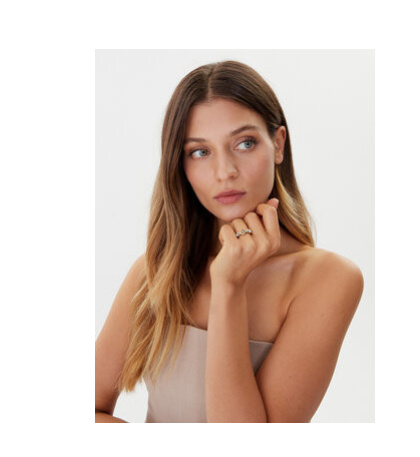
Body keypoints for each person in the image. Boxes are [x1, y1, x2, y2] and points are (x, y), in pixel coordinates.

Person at [95, 60, 364, 423]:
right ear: (181, 165)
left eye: (244, 143)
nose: (225, 172)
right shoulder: (154, 273)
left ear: (278, 145)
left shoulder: (329, 279)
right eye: (200, 152)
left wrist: (229, 285)